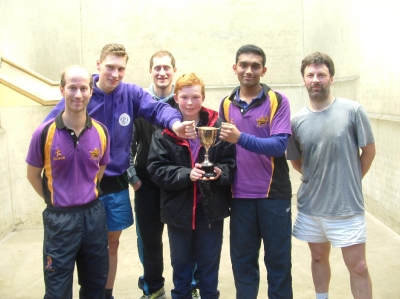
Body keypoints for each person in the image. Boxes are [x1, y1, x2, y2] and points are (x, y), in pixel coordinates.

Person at [43, 44, 196, 299]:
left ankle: (106, 294)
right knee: (82, 247)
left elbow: (158, 108)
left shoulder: (132, 94)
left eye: (120, 69)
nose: (115, 74)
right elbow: (47, 133)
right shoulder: (82, 93)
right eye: (110, 67)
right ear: (98, 65)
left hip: (115, 184)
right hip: (81, 187)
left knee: (110, 244)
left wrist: (176, 123)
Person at [287, 52, 375, 299]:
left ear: (331, 79)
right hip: (311, 207)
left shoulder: (353, 111)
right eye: (310, 75)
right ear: (304, 80)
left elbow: (368, 151)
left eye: (321, 74)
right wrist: (320, 177)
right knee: (317, 257)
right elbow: (296, 161)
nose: (316, 79)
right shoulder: (296, 121)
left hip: (347, 206)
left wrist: (350, 180)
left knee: (359, 266)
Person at [147, 73, 236, 299]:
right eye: (184, 97)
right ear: (176, 97)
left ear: (203, 97)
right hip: (178, 212)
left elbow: (231, 164)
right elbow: (156, 169)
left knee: (209, 269)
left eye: (195, 97)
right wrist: (188, 174)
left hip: (210, 211)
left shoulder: (218, 127)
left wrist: (219, 172)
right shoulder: (164, 132)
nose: (190, 103)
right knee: (181, 269)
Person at [26, 65, 110, 298]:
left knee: (95, 286)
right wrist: (53, 201)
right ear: (62, 90)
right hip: (60, 222)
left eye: (84, 88)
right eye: (72, 88)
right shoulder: (43, 133)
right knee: (57, 289)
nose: (78, 94)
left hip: (93, 216)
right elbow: (32, 175)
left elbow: (99, 169)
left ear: (91, 91)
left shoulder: (101, 132)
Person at [219, 44, 293, 299]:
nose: (248, 70)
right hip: (239, 198)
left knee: (279, 265)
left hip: (273, 196)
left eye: (255, 66)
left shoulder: (278, 100)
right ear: (235, 68)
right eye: (244, 65)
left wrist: (241, 138)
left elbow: (279, 146)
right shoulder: (226, 104)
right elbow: (222, 150)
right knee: (243, 265)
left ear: (263, 69)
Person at [127, 50, 200, 299]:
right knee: (149, 240)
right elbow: (128, 143)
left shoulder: (182, 103)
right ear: (150, 71)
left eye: (166, 67)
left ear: (173, 71)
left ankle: (190, 285)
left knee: (185, 238)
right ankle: (153, 287)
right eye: (157, 67)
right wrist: (133, 179)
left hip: (178, 182)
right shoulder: (139, 103)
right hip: (146, 184)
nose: (161, 72)